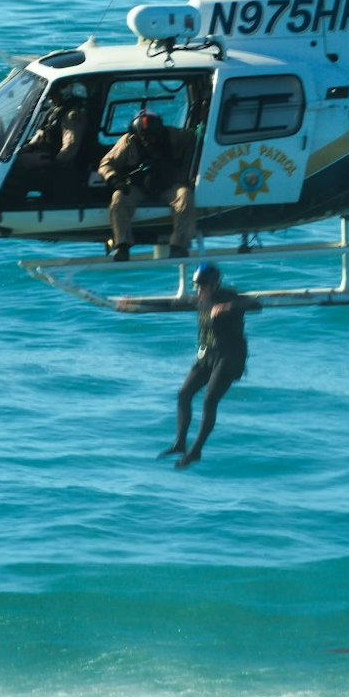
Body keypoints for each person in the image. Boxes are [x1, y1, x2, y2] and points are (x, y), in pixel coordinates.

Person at [159, 262, 261, 470]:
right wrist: (132, 305)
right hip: (207, 355)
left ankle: (195, 451)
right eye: (196, 286)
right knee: (184, 394)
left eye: (202, 286)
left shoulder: (227, 295)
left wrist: (227, 307)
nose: (199, 291)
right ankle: (180, 443)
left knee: (209, 400)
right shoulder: (200, 300)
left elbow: (255, 304)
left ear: (214, 285)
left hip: (230, 356)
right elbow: (172, 305)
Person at [99, 110, 196, 261]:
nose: (148, 140)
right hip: (138, 188)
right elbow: (106, 164)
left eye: (152, 136)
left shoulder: (175, 136)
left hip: (168, 185)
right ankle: (122, 245)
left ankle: (179, 246)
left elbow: (196, 139)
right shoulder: (127, 142)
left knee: (184, 196)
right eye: (144, 137)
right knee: (119, 198)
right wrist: (114, 179)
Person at [21, 81, 92, 189]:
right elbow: (42, 133)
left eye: (53, 95)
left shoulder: (71, 115)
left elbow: (70, 147)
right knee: (18, 157)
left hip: (56, 160)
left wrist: (55, 165)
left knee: (19, 165)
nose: (50, 99)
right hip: (45, 153)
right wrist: (28, 147)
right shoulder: (55, 110)